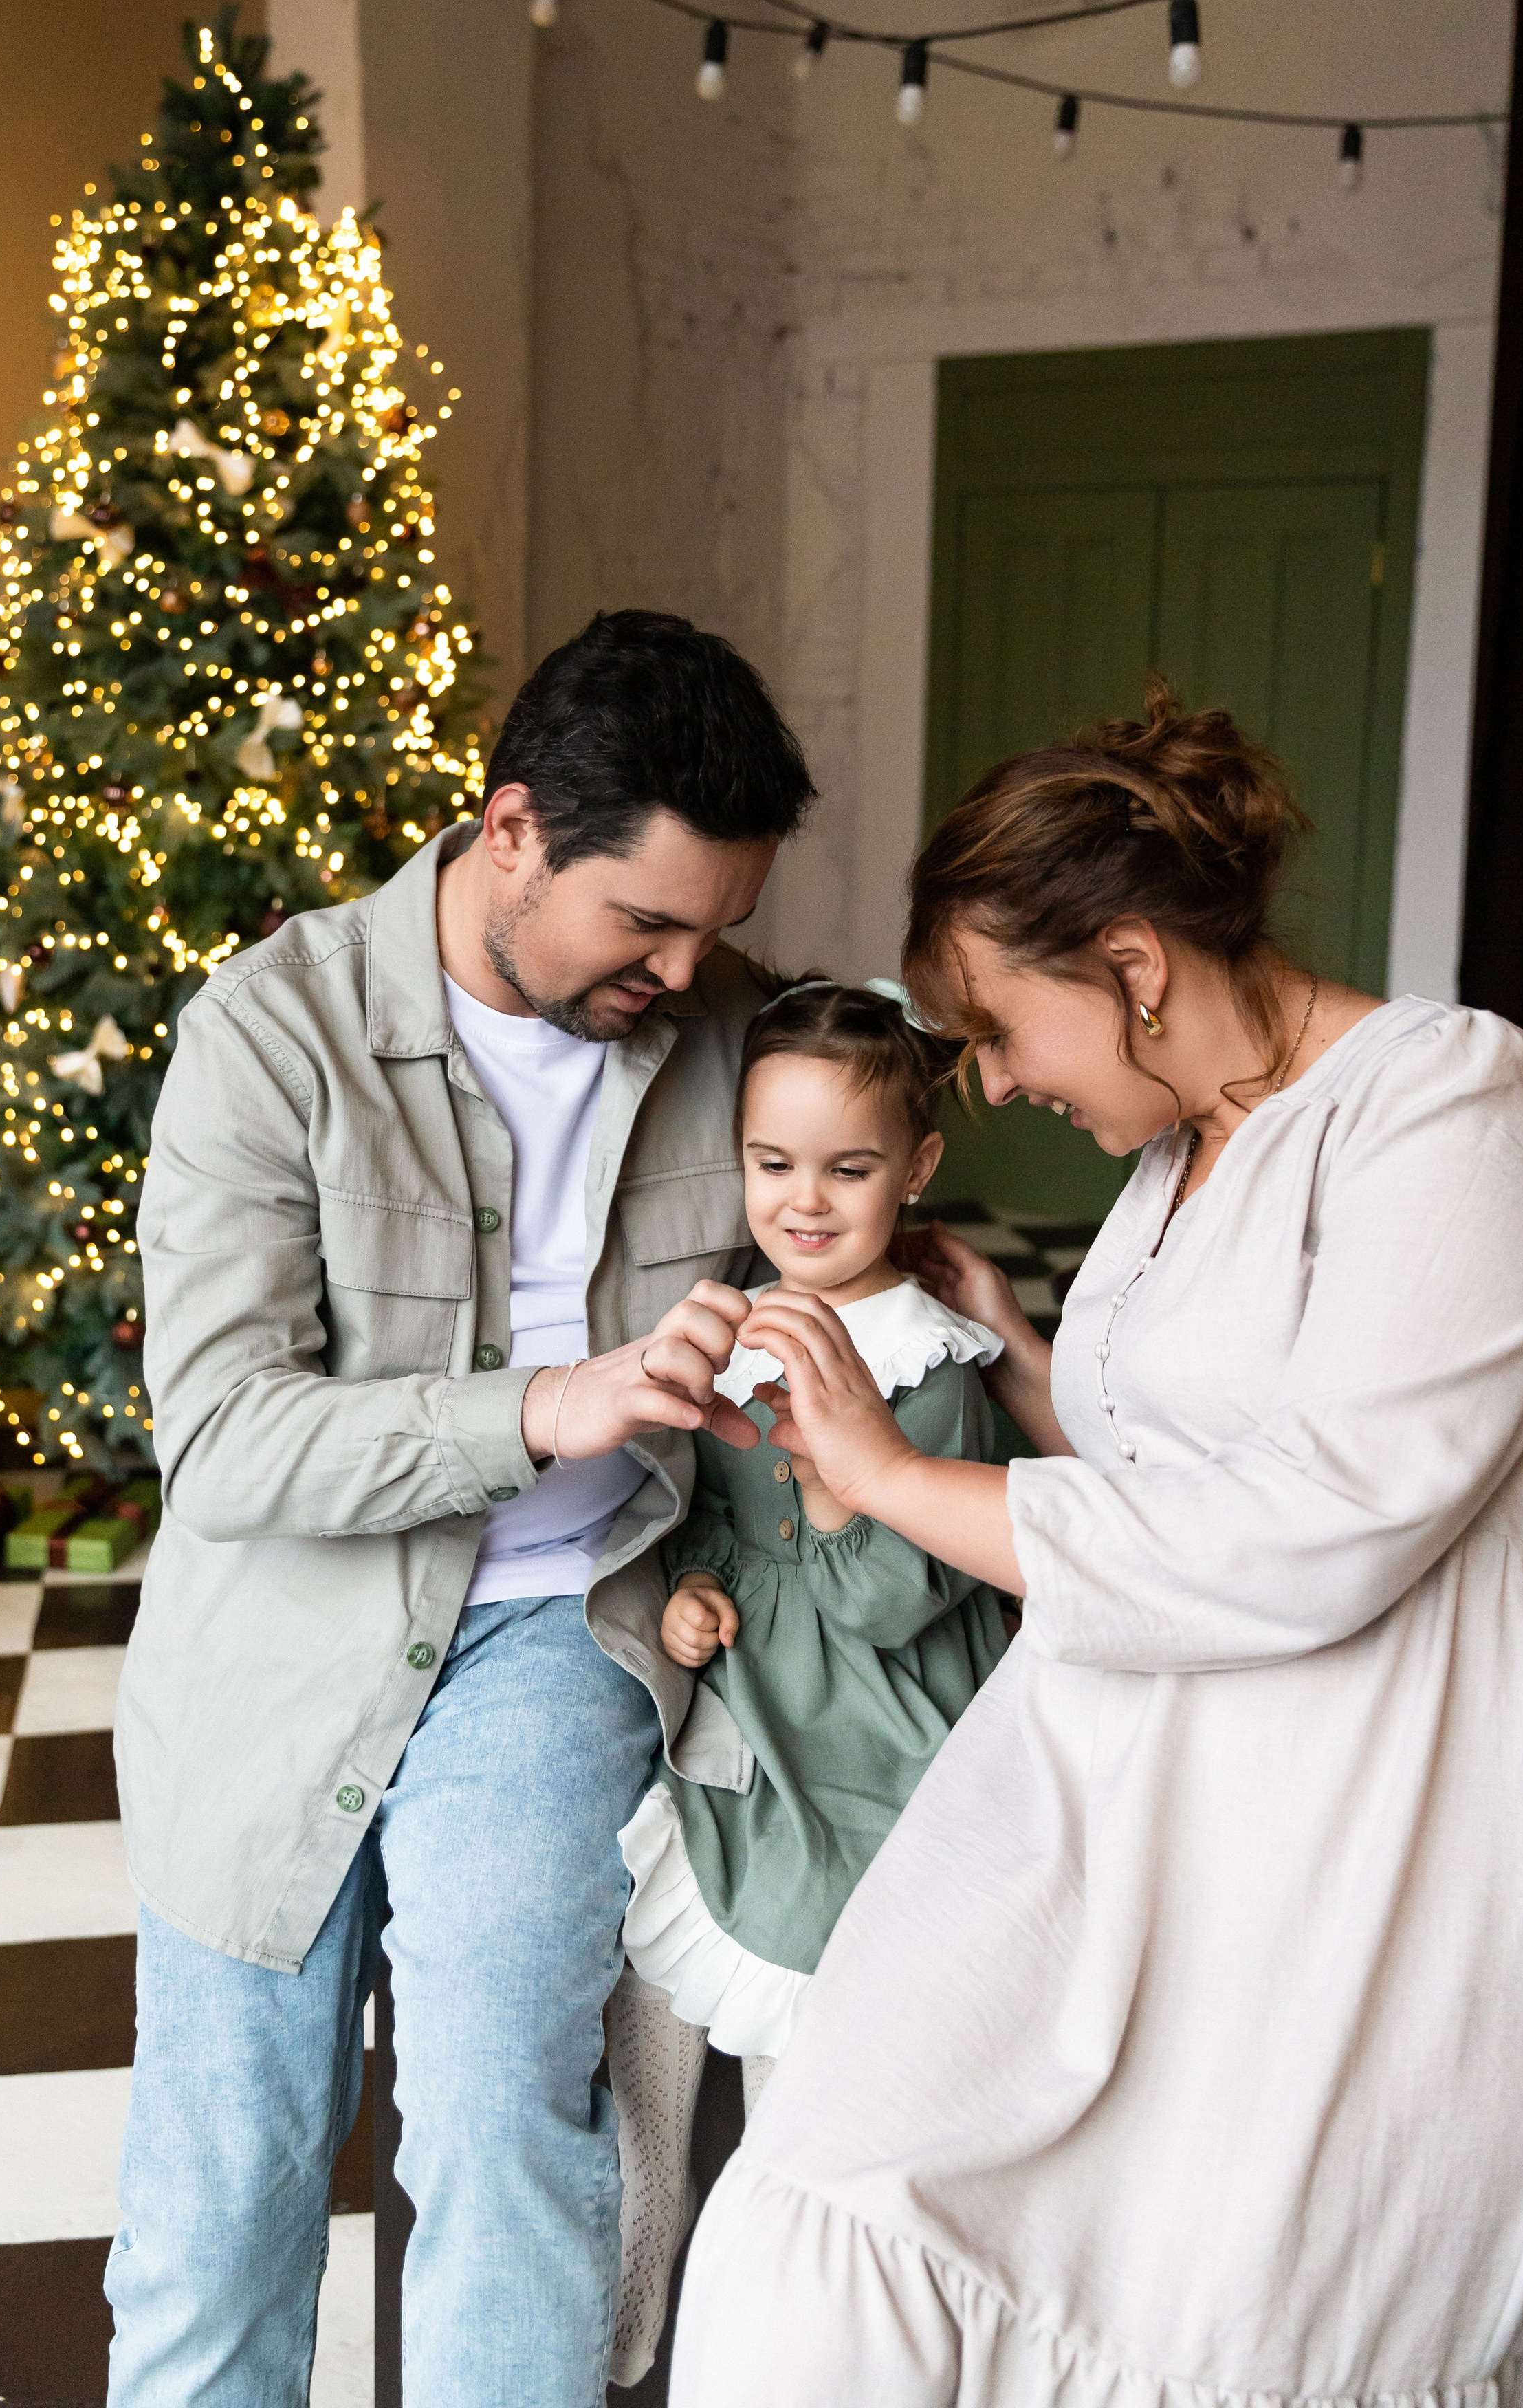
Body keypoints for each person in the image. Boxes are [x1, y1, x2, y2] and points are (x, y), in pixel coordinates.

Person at [670, 684, 1523, 2408]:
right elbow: (1159, 1479)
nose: (996, 1082)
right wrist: (1025, 1359)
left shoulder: (1454, 1101)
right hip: (1121, 1777)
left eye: (1001, 1030)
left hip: (1360, 1812)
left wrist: (884, 1472)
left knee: (1221, 2299)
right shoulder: (1170, 1149)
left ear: (1132, 965)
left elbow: (1314, 1530)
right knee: (835, 2201)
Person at [105, 609, 816, 2408]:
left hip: (560, 1637)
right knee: (222, 2193)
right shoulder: (273, 1034)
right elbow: (227, 1443)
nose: (682, 970)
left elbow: (852, 1235)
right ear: (512, 834)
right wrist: (546, 1407)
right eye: (643, 922)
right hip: (276, 1652)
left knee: (505, 2134)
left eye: (714, 927)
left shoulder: (739, 1033)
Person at [602, 982, 1011, 2383]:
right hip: (751, 1713)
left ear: (916, 1167)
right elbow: (712, 1516)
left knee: (806, 2024)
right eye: (773, 1163)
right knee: (652, 1985)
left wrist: (841, 1480)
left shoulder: (930, 1365)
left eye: (848, 1169)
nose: (806, 1202)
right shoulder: (734, 1321)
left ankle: (787, 2334)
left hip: (872, 1739)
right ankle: (635, 2274)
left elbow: (900, 1597)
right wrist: (696, 1592)